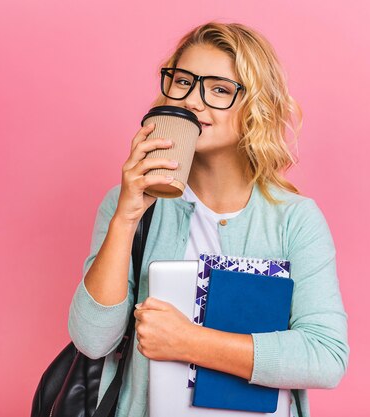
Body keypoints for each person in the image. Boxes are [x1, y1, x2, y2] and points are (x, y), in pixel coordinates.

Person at [68, 21, 349, 417]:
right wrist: (126, 217)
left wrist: (189, 341)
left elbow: (324, 355)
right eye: (182, 81)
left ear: (255, 106)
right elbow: (92, 340)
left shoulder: (295, 219)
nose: (192, 102)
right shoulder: (127, 203)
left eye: (218, 89)